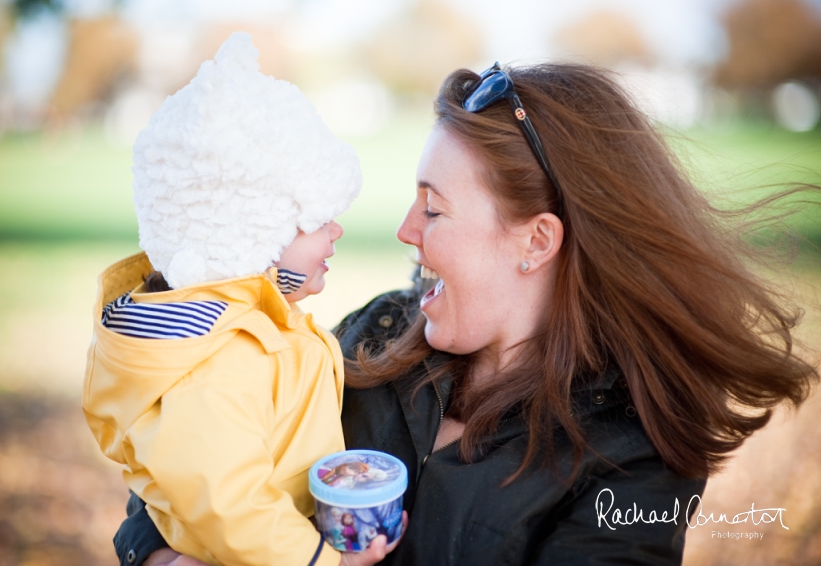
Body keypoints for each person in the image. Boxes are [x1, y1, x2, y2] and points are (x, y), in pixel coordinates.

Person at [116, 61, 819, 565]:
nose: (405, 230)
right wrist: (161, 558)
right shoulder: (373, 336)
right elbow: (193, 447)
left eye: (435, 207)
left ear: (536, 241)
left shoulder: (637, 460)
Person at [83, 32, 403, 566]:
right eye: (316, 220)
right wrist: (322, 560)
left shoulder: (256, 324)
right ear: (253, 236)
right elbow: (228, 503)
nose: (336, 231)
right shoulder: (221, 359)